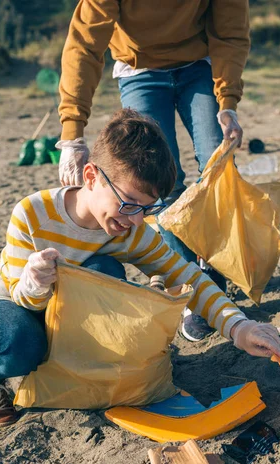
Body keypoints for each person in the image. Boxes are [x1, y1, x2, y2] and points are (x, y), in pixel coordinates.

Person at [0, 109, 280, 428]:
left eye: (149, 208)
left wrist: (239, 327)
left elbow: (188, 277)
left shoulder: (131, 229)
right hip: (12, 301)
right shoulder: (33, 214)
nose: (136, 219)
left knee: (104, 270)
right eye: (129, 203)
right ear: (91, 177)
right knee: (22, 344)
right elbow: (24, 302)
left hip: (68, 310)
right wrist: (35, 283)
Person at [56, 0, 250, 341]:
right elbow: (84, 46)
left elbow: (231, 32)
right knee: (161, 186)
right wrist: (72, 133)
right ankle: (191, 289)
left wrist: (227, 103)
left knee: (217, 169)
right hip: (139, 70)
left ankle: (214, 272)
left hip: (199, 65)